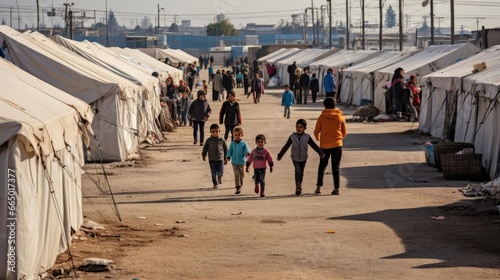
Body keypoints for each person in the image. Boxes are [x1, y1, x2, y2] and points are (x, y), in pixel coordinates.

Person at [277, 119, 324, 196]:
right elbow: (286, 146)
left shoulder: (307, 137)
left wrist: (320, 152)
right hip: (295, 157)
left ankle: (299, 186)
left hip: (304, 157)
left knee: (301, 172)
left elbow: (313, 145)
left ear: (304, 128)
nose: (299, 128)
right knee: (297, 170)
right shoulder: (292, 137)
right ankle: (298, 186)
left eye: (301, 127)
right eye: (297, 127)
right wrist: (280, 155)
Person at [314, 97, 347, 195]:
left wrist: (318, 138)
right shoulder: (340, 116)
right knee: (336, 167)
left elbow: (316, 131)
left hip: (324, 145)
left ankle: (318, 187)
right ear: (335, 105)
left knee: (322, 166)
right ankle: (336, 188)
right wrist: (339, 139)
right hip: (337, 145)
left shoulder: (321, 117)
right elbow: (344, 132)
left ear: (324, 106)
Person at [202, 123, 228, 189]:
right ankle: (215, 184)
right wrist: (204, 155)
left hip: (220, 159)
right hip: (212, 159)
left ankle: (219, 176)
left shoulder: (221, 140)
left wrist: (226, 157)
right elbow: (205, 148)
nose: (215, 133)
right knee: (213, 172)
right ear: (210, 132)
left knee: (220, 171)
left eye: (216, 131)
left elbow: (225, 149)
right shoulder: (208, 140)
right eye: (213, 131)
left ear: (219, 131)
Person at [226, 126, 251, 194]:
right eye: (235, 135)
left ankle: (241, 179)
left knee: (242, 174)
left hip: (242, 162)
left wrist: (247, 153)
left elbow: (246, 149)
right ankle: (238, 187)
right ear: (233, 135)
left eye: (239, 135)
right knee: (236, 174)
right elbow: (230, 151)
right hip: (234, 162)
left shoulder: (243, 143)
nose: (237, 136)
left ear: (242, 135)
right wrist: (228, 156)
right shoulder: (232, 143)